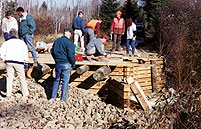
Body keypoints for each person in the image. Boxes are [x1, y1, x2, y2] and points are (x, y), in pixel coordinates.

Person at [0, 28, 29, 98]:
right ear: (16, 34)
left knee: (9, 78)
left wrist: (3, 59)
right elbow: (25, 52)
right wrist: (26, 61)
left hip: (9, 62)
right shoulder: (21, 42)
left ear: (10, 35)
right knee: (21, 78)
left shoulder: (6, 43)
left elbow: (1, 52)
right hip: (19, 62)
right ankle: (25, 93)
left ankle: (8, 94)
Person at [51, 28, 76, 101]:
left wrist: (56, 59)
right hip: (66, 63)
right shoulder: (69, 43)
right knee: (65, 82)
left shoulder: (57, 41)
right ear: (70, 34)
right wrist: (73, 63)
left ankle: (53, 97)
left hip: (58, 63)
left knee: (56, 80)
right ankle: (63, 99)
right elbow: (71, 56)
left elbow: (52, 51)